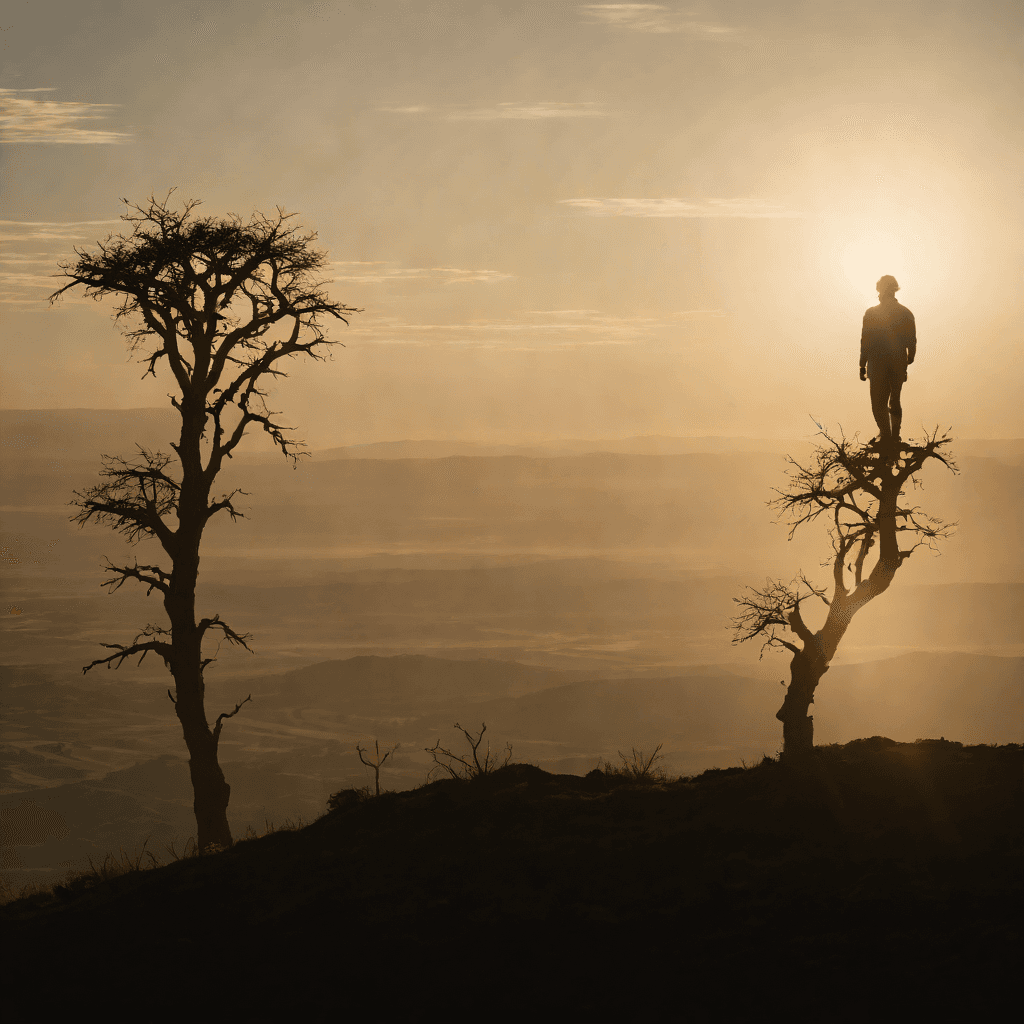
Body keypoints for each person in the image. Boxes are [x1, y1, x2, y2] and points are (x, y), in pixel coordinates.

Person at [859, 275, 916, 447]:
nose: (877, 295)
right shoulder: (906, 313)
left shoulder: (871, 313)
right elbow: (911, 341)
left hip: (877, 365)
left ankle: (885, 434)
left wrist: (862, 364)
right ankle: (894, 435)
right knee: (895, 400)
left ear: (882, 291)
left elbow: (865, 341)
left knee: (878, 403)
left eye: (878, 291)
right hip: (898, 363)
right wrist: (908, 360)